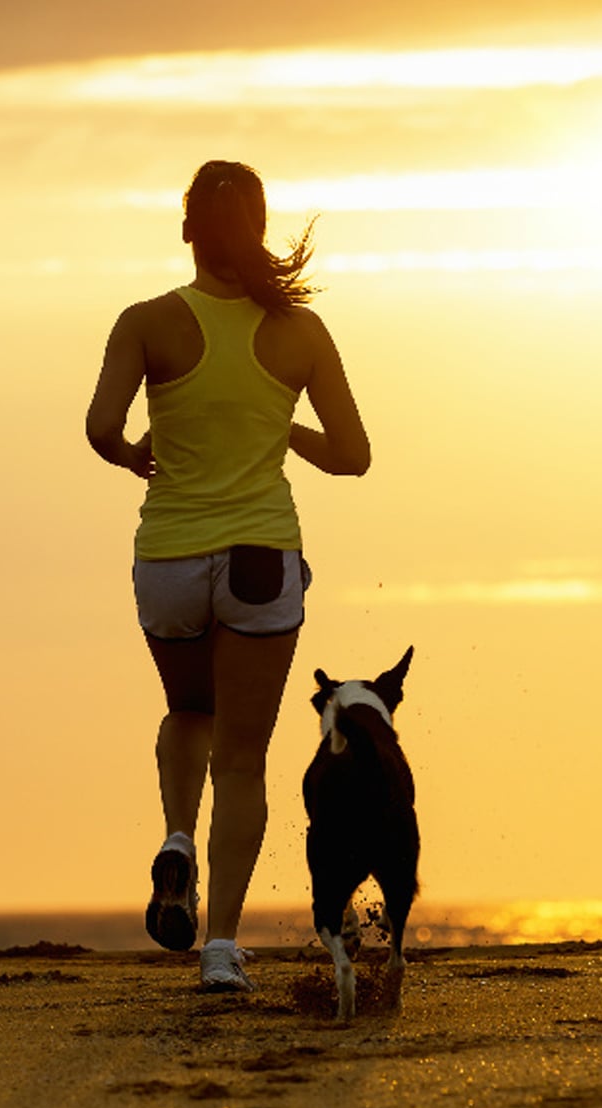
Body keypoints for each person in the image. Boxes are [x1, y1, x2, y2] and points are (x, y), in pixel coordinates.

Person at [86, 160, 371, 992]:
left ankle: (178, 840)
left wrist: (135, 453)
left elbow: (102, 426)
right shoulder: (300, 334)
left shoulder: (147, 322)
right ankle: (219, 952)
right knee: (242, 761)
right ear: (260, 229)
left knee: (187, 710)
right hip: (259, 560)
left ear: (185, 232)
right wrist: (285, 435)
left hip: (169, 558)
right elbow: (353, 456)